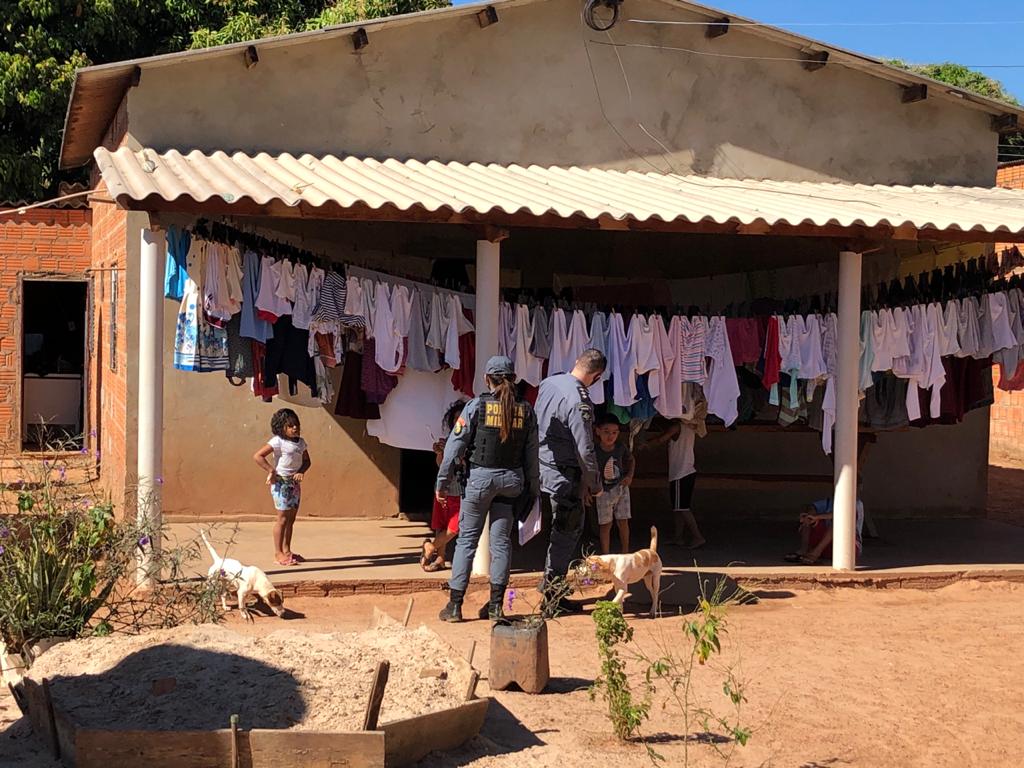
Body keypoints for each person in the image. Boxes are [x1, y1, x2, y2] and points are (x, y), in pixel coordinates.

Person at [436, 356, 539, 623]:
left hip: (479, 482)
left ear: (486, 379)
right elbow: (532, 455)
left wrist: (442, 483)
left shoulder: (475, 406)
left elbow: (454, 448)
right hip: (512, 482)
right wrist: (533, 489)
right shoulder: (526, 411)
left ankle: (455, 606)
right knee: (501, 543)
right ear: (513, 379)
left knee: (467, 541)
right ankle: (495, 608)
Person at [536, 348, 606, 614]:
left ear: (577, 362)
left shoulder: (549, 382)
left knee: (559, 529)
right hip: (564, 475)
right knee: (565, 532)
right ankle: (552, 596)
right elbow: (585, 448)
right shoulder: (579, 400)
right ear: (597, 376)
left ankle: (551, 587)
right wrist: (595, 484)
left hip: (542, 466)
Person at [253, 408, 311, 566]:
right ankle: (278, 553)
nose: (295, 428)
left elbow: (307, 461)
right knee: (282, 518)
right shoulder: (277, 441)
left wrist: (301, 471)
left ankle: (287, 551)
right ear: (281, 427)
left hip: (294, 484)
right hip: (281, 483)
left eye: (296, 425)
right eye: (290, 426)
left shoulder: (301, 442)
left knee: (291, 519)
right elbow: (258, 456)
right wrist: (271, 470)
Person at [640, 419, 705, 548]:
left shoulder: (676, 427)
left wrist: (645, 444)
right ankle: (678, 537)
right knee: (678, 508)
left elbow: (660, 439)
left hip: (681, 473)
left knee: (683, 508)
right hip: (684, 472)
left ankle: (698, 536)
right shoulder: (690, 426)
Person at [421, 400, 467, 572]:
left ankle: (430, 547)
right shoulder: (448, 440)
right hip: (443, 488)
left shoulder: (471, 441)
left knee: (455, 527)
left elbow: (466, 465)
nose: (458, 421)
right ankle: (440, 558)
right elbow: (441, 465)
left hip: (460, 490)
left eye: (461, 418)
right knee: (441, 525)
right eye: (455, 418)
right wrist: (440, 453)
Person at [593, 413, 635, 554]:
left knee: (623, 522)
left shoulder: (620, 447)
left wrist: (629, 476)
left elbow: (631, 459)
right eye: (606, 432)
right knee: (605, 525)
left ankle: (625, 552)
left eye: (614, 432)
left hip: (621, 488)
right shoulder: (594, 451)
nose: (610, 436)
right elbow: (587, 469)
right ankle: (606, 555)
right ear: (598, 431)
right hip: (603, 491)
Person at [785, 495, 865, 564]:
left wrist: (818, 517)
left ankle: (815, 553)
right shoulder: (829, 502)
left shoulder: (856, 503)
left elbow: (842, 514)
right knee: (808, 518)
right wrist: (811, 515)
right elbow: (812, 507)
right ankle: (804, 550)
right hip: (825, 547)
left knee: (838, 522)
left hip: (846, 548)